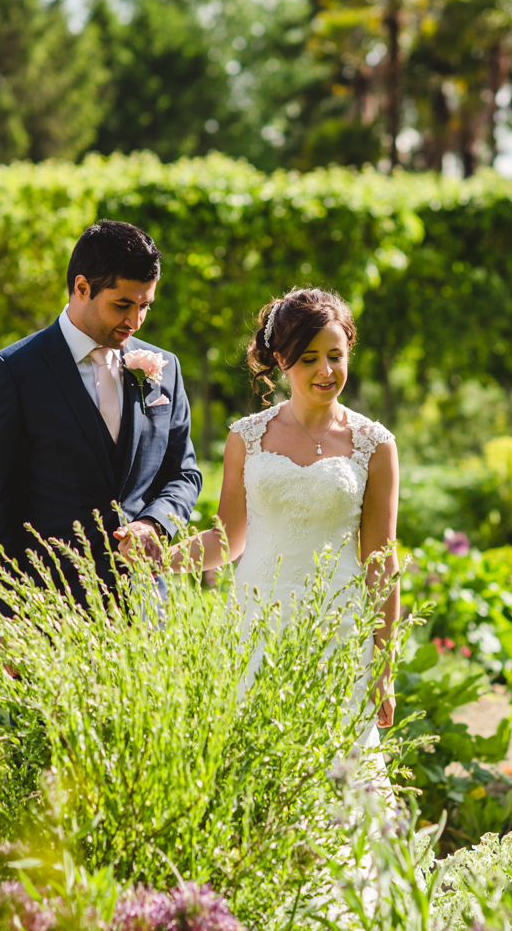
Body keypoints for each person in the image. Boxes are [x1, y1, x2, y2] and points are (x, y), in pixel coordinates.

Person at [164, 288, 400, 740]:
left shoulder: (375, 444)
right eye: (309, 358)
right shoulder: (246, 438)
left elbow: (381, 562)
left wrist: (385, 665)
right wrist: (161, 558)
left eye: (335, 355)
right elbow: (229, 539)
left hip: (338, 628)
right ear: (282, 360)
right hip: (256, 625)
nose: (325, 370)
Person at [0, 220, 202, 611]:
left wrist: (155, 522)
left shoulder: (166, 368)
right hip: (51, 612)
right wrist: (5, 621)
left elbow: (184, 472)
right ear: (82, 288)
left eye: (145, 305)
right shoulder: (10, 372)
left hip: (145, 608)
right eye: (122, 305)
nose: (135, 321)